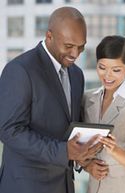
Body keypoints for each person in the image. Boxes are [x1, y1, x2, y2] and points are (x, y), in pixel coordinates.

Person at [0, 7, 101, 193]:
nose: (75, 54)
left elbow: (68, 128)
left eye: (81, 46)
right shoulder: (20, 70)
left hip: (64, 185)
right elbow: (9, 131)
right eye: (69, 46)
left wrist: (83, 157)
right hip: (26, 186)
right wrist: (63, 152)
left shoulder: (77, 75)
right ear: (49, 36)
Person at [81, 35, 125, 193]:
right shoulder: (87, 99)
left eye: (116, 70)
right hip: (94, 187)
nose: (107, 75)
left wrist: (114, 150)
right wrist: (87, 166)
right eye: (102, 67)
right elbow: (79, 148)